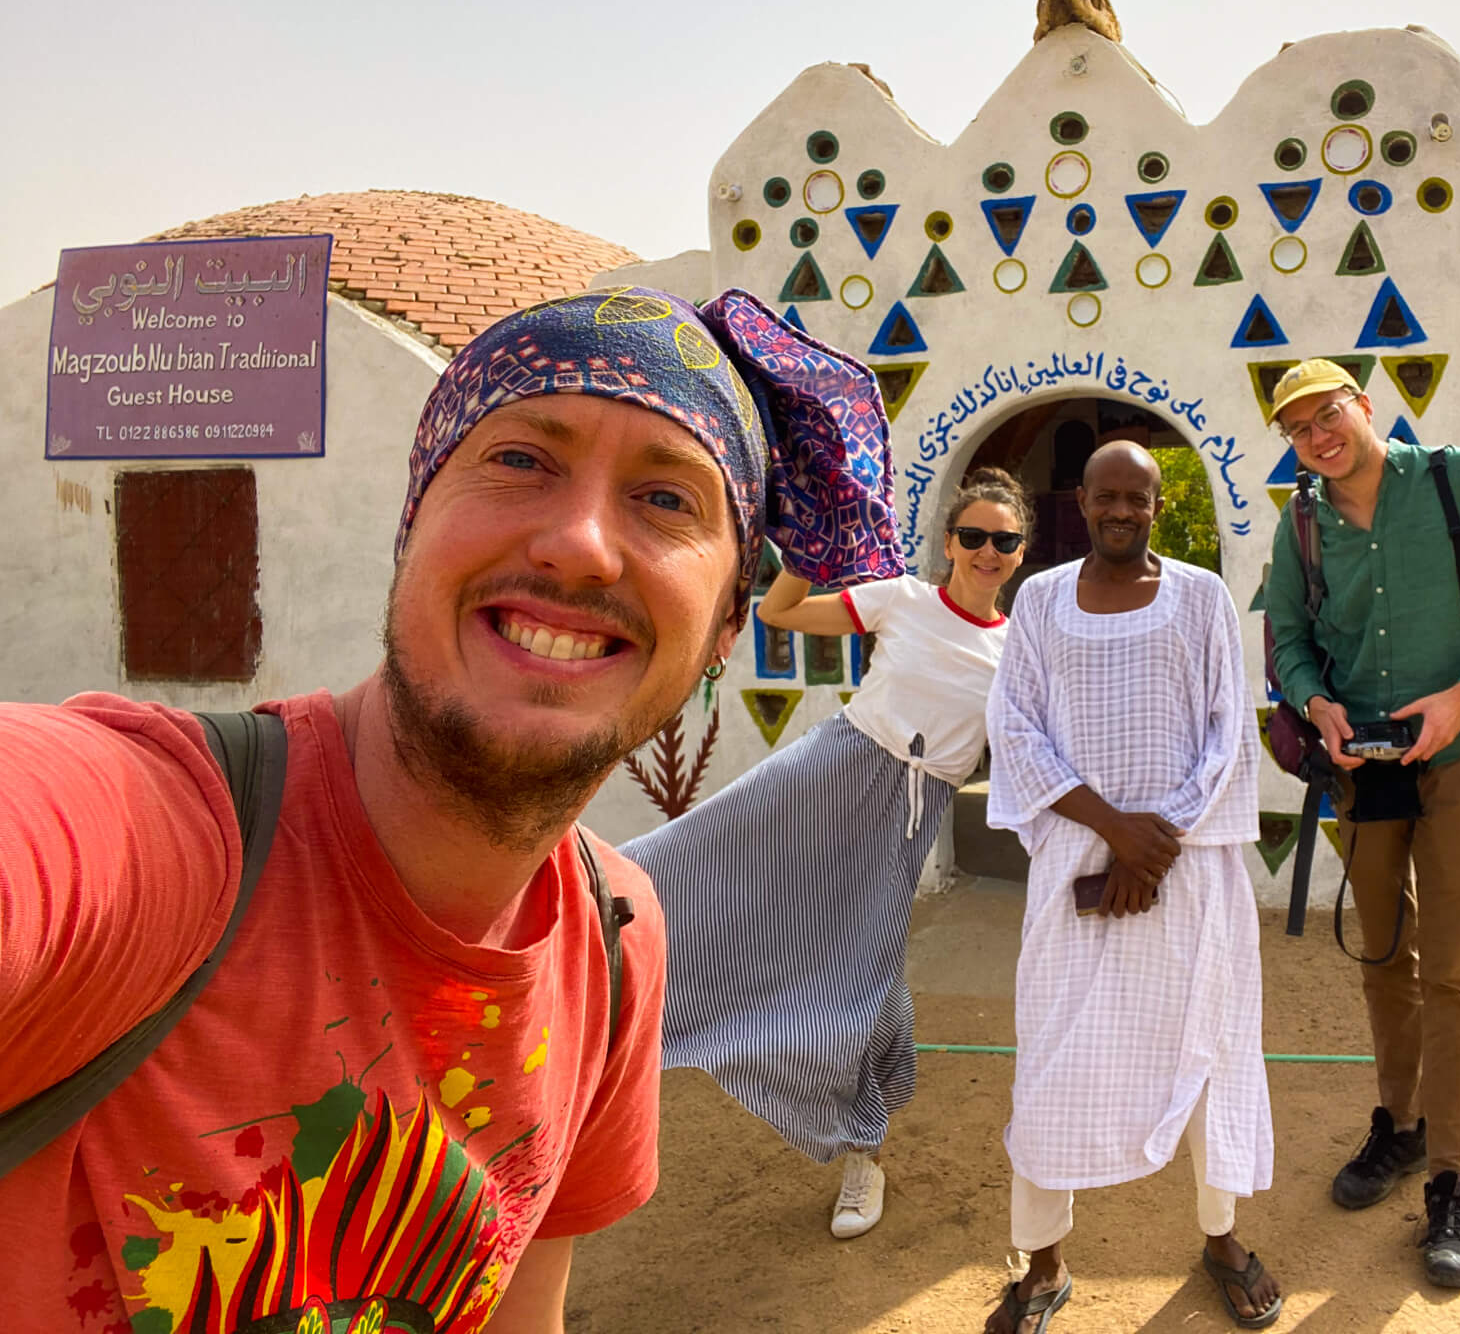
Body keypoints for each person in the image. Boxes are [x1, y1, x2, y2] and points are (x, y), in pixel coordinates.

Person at [0, 287, 906, 1332]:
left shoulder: (613, 944)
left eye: (667, 501)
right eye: (521, 460)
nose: (579, 545)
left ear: (720, 632)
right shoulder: (149, 836)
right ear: (411, 526)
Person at [621, 467, 1031, 1239]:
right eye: (971, 535)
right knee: (691, 857)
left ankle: (863, 1155)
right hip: (831, 768)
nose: (986, 550)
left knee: (865, 980)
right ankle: (568, 934)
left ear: (1018, 554)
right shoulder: (901, 598)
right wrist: (814, 542)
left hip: (908, 816)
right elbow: (779, 612)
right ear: (948, 542)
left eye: (1002, 541)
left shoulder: (1020, 651)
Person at [1264, 357, 1460, 1289]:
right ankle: (1399, 1125)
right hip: (1367, 775)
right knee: (1383, 957)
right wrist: (1318, 707)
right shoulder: (1301, 520)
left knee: (1452, 969)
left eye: (1328, 413)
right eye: (1299, 428)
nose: (1319, 436)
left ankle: (1452, 1180)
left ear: (1365, 406)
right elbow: (1287, 638)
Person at [981, 440, 1282, 1333]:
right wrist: (1114, 831)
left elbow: (1228, 734)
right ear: (1082, 501)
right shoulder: (1037, 599)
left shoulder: (1202, 598)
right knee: (1051, 1057)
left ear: (1159, 505)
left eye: (1137, 499)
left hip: (1186, 872)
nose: (1120, 510)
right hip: (1079, 867)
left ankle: (1221, 1237)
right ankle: (1042, 1263)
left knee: (1212, 1048)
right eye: (1105, 497)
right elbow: (1017, 726)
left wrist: (1155, 846)